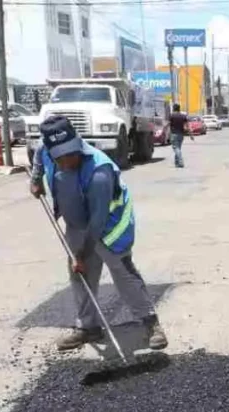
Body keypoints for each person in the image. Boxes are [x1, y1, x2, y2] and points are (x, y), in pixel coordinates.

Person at [29, 116, 168, 352]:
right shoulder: (47, 149)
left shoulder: (99, 170)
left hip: (108, 226)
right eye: (59, 156)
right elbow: (39, 154)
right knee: (80, 277)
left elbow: (98, 220)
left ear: (78, 143)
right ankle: (88, 327)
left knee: (123, 273)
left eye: (70, 153)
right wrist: (35, 179)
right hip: (76, 223)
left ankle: (150, 323)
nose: (66, 160)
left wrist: (81, 255)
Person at [168, 104, 192, 168]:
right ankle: (177, 163)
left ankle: (180, 162)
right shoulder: (183, 116)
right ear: (179, 109)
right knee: (178, 148)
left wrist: (163, 129)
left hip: (174, 134)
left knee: (176, 148)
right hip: (181, 135)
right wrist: (191, 135)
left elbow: (168, 124)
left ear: (173, 109)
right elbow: (187, 126)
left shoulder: (171, 116)